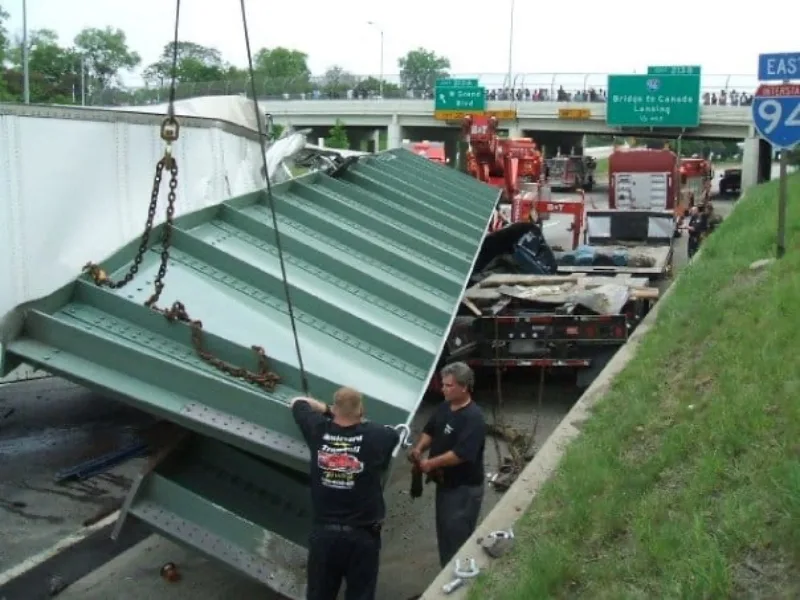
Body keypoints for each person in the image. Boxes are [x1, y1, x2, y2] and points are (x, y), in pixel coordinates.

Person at [291, 387, 400, 600]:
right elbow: (393, 435)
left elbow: (297, 403)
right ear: (361, 410)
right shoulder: (377, 436)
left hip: (325, 536)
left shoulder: (317, 430)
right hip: (363, 537)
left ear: (334, 408)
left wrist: (325, 410)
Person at [408, 362, 487, 568]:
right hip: (445, 486)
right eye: (443, 384)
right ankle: (448, 574)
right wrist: (419, 449)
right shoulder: (444, 407)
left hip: (464, 490)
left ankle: (460, 580)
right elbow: (430, 430)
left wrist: (429, 464)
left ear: (464, 386)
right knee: (444, 535)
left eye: (449, 385)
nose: (443, 388)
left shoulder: (474, 418)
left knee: (457, 539)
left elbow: (460, 454)